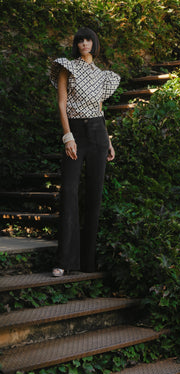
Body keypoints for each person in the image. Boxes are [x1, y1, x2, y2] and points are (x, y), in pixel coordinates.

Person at [50, 27, 120, 276]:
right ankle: (64, 261)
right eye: (80, 40)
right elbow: (61, 103)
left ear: (95, 43)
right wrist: (68, 136)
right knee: (69, 191)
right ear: (76, 44)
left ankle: (88, 263)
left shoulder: (102, 75)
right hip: (76, 132)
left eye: (88, 39)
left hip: (98, 135)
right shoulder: (66, 67)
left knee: (94, 194)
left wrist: (108, 140)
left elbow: (100, 109)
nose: (84, 43)